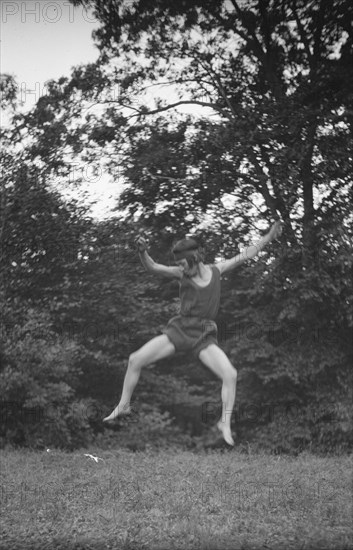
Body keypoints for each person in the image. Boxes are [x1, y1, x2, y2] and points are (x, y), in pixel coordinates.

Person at [103, 220, 283, 445]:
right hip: (180, 329)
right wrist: (143, 252)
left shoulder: (217, 271)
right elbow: (153, 267)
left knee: (231, 374)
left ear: (195, 258)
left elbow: (246, 254)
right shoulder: (181, 274)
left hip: (203, 334)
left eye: (183, 262)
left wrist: (269, 237)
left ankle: (224, 423)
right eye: (178, 263)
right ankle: (124, 405)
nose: (180, 267)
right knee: (135, 359)